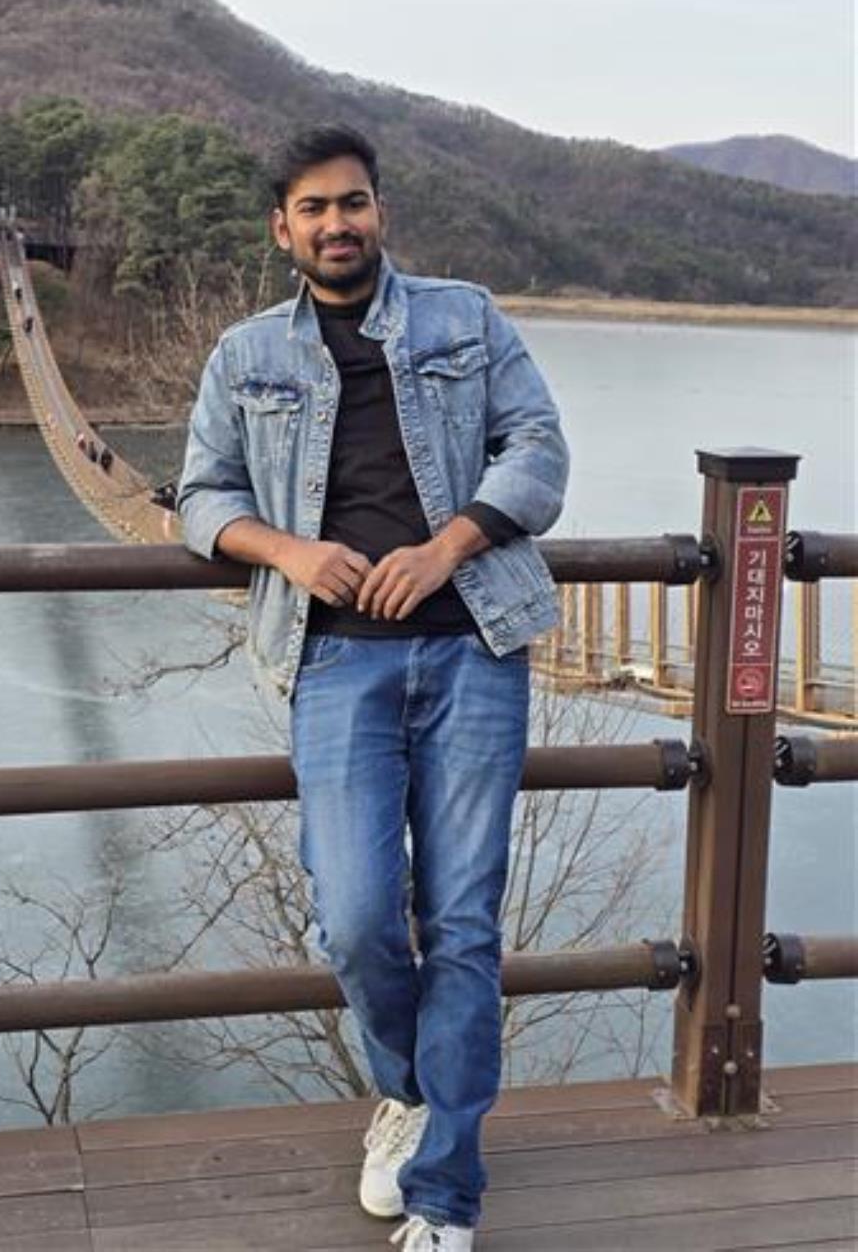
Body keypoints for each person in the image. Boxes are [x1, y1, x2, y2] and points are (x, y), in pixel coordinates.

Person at [178, 125, 568, 1251]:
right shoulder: (245, 353)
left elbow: (538, 453)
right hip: (335, 659)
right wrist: (289, 551)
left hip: (474, 648)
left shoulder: (465, 318)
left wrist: (445, 548)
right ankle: (407, 1092)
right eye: (313, 208)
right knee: (354, 919)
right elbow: (200, 495)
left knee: (461, 922)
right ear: (282, 228)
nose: (336, 223)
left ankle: (447, 1194)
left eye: (352, 202)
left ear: (380, 212)